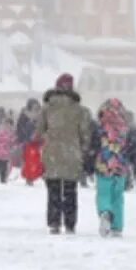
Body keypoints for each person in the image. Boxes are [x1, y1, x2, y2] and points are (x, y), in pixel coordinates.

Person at [39, 73, 88, 235]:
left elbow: (39, 131)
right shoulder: (79, 110)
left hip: (52, 152)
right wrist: (83, 148)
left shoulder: (47, 108)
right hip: (71, 154)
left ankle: (54, 222)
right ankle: (70, 223)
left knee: (53, 189)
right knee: (70, 190)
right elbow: (85, 133)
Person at [90, 98, 133, 238]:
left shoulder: (100, 127)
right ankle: (117, 226)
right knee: (118, 196)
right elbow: (131, 148)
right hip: (120, 166)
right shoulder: (125, 128)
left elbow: (94, 145)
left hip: (104, 164)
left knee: (103, 193)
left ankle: (105, 212)